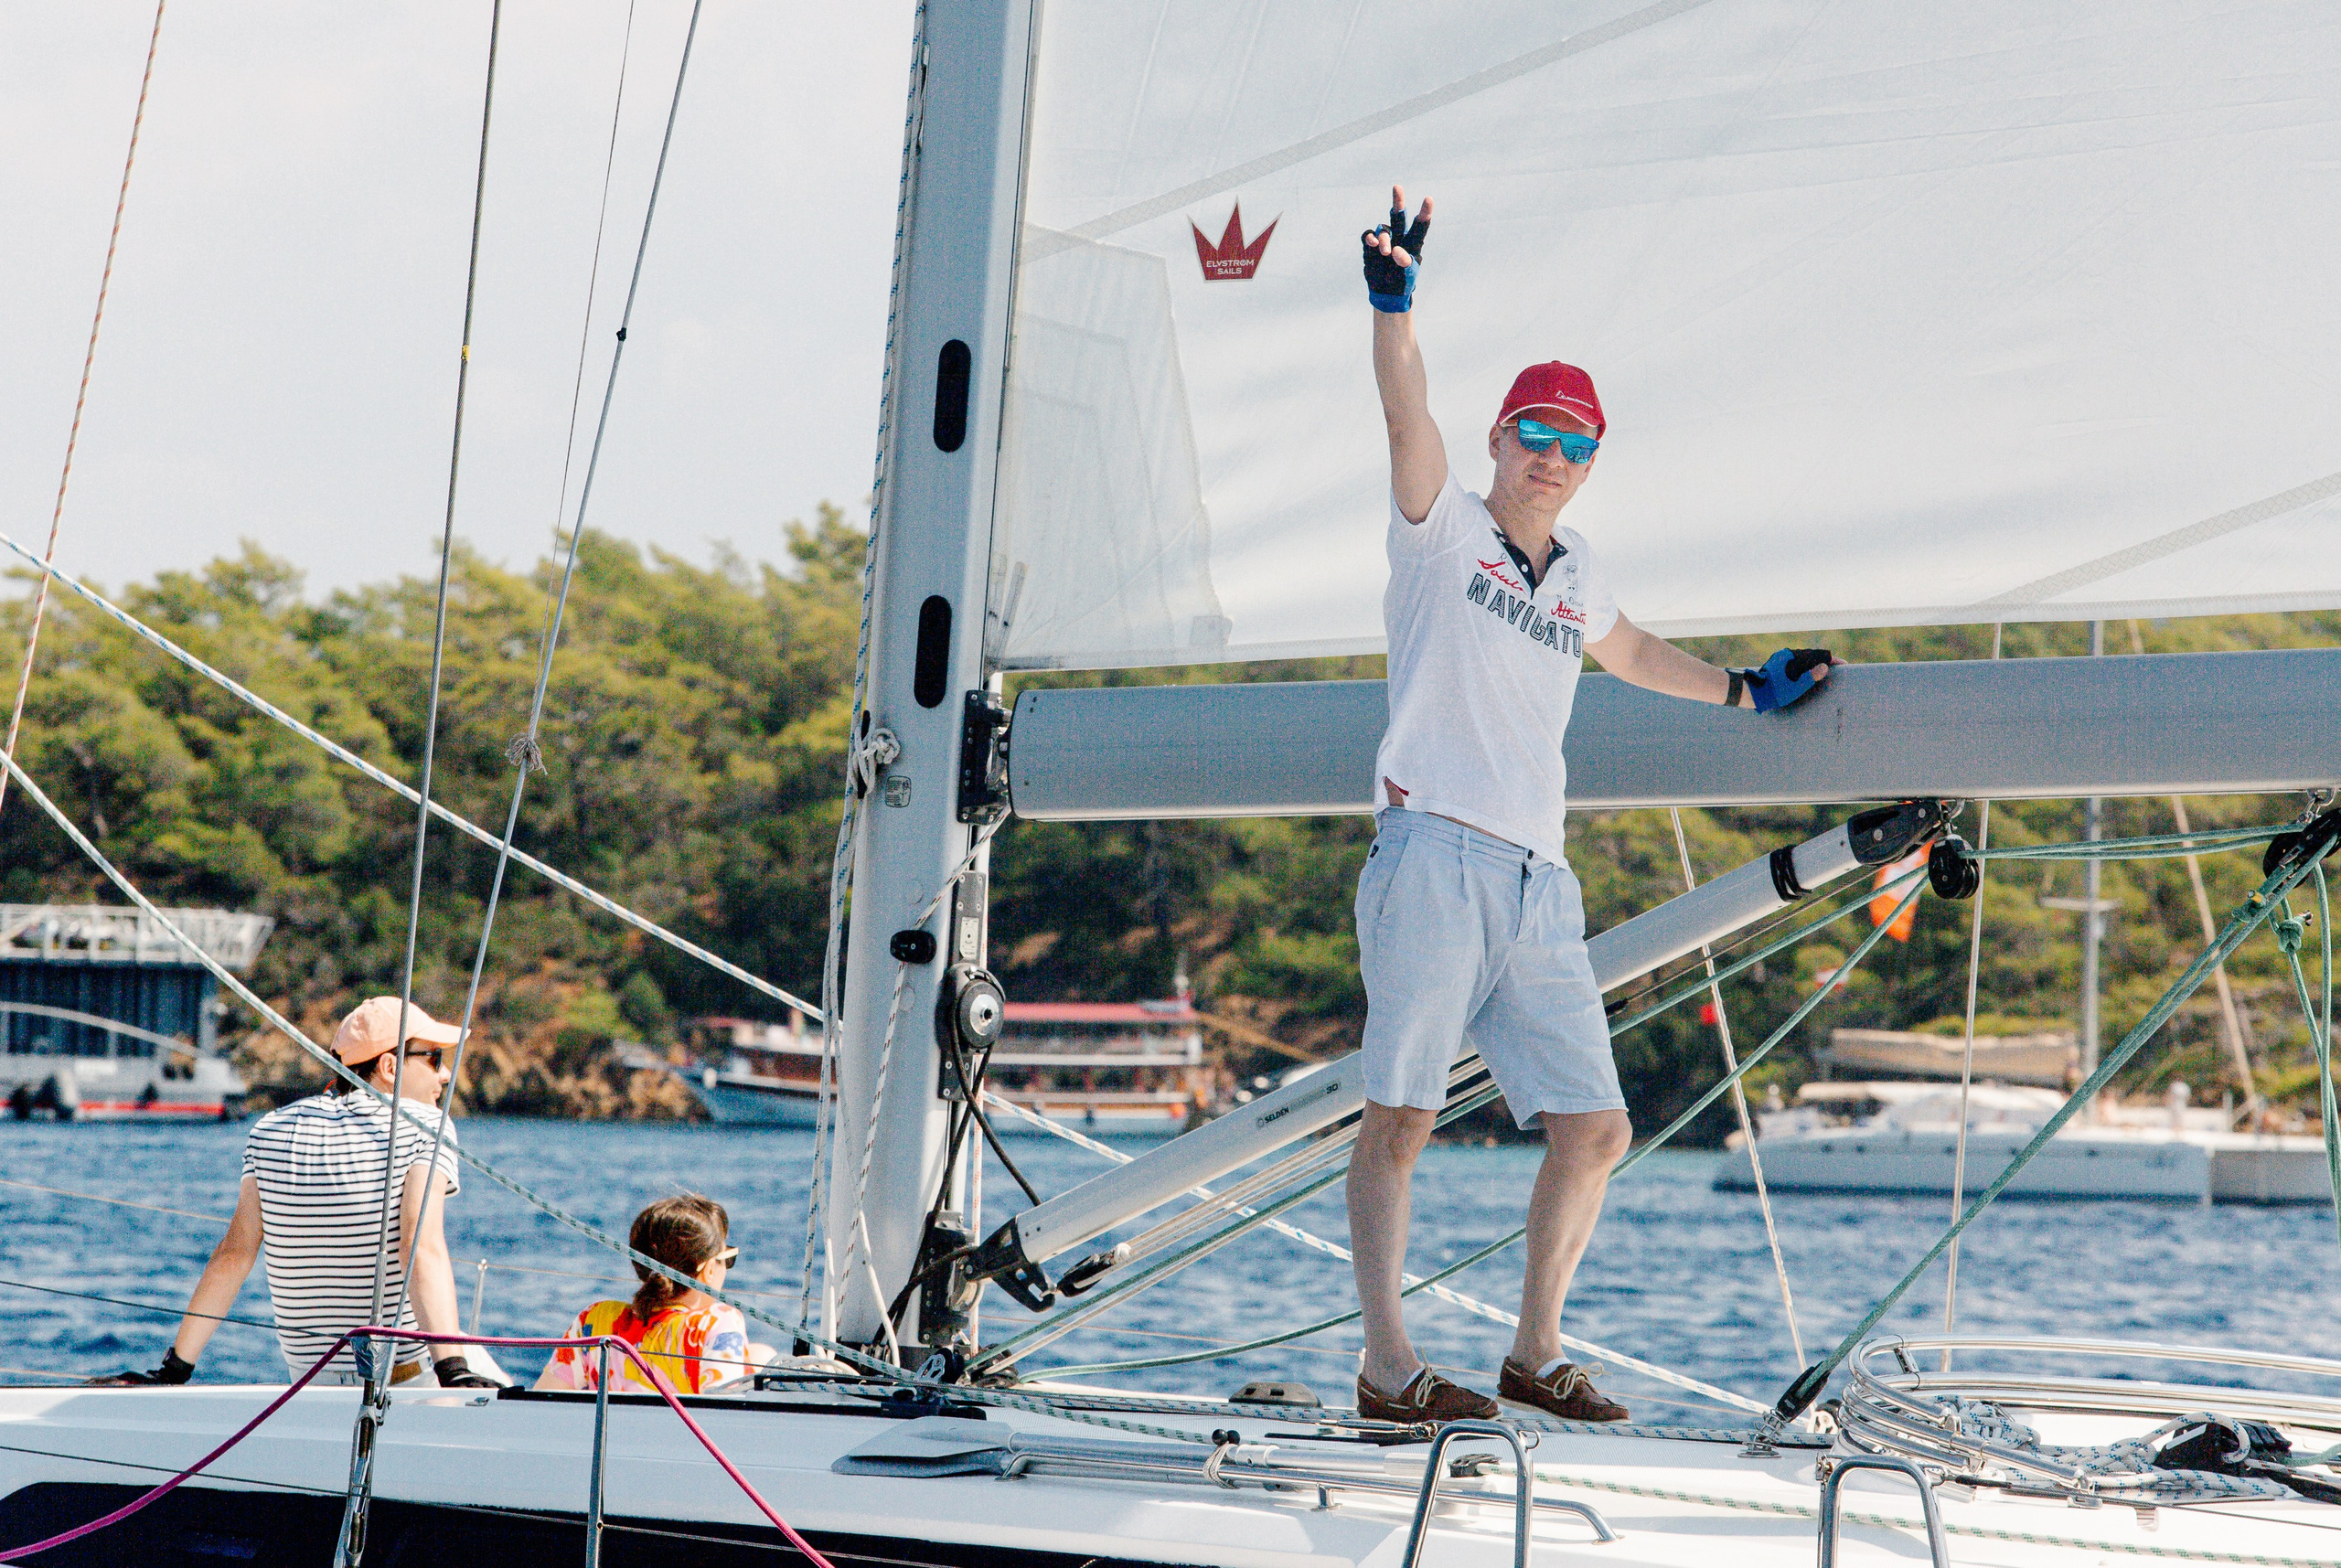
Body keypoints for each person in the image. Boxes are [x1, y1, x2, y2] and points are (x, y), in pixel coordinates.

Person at [1348, 188, 1836, 1425]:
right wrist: (1393, 304)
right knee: (1401, 1117)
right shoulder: (1442, 528)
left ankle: (1533, 1350)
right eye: (1535, 436)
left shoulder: (1579, 572)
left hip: (1535, 879)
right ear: (1501, 437)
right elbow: (1404, 405)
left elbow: (1627, 650)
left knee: (1598, 1126)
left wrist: (1740, 690)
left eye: (1576, 446)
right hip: (1433, 852)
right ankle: (1389, 1365)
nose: (1553, 461)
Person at [98, 997, 493, 1389]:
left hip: (307, 1386)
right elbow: (419, 1248)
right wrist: (453, 1369)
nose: (444, 1076)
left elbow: (234, 1255)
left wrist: (173, 1371)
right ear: (389, 1068)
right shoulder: (424, 1125)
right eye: (435, 1059)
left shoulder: (271, 1128)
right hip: (402, 1382)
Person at [536, 1194, 772, 1394]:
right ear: (709, 1269)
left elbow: (541, 1403)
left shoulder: (594, 1319)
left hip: (610, 1444)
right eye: (727, 1258)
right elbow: (724, 1422)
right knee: (766, 1358)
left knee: (761, 1353)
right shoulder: (717, 1323)